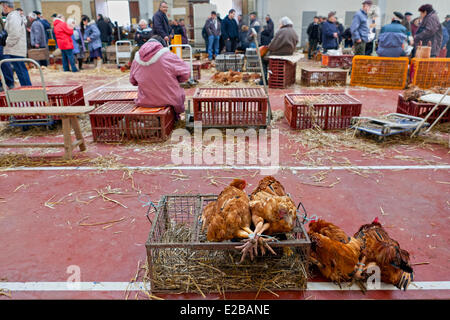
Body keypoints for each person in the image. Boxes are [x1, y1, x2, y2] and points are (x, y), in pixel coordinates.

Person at [129, 36, 190, 120]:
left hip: (145, 101)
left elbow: (132, 81)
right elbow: (186, 73)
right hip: (170, 101)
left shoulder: (136, 59)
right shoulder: (168, 56)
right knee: (179, 92)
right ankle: (175, 119)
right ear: (162, 45)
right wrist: (177, 79)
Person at [1, 0, 31, 87]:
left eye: (2, 6)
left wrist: (6, 43)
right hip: (16, 48)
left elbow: (15, 34)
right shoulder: (12, 16)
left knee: (21, 71)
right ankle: (27, 89)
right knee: (20, 70)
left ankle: (28, 90)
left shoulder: (13, 17)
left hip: (16, 49)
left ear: (5, 6)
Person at [260, 16, 298, 83]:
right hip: (289, 53)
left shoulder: (280, 31)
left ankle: (263, 80)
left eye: (280, 23)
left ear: (283, 23)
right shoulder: (293, 31)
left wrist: (268, 48)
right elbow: (297, 41)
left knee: (263, 59)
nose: (279, 25)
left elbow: (272, 45)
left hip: (279, 53)